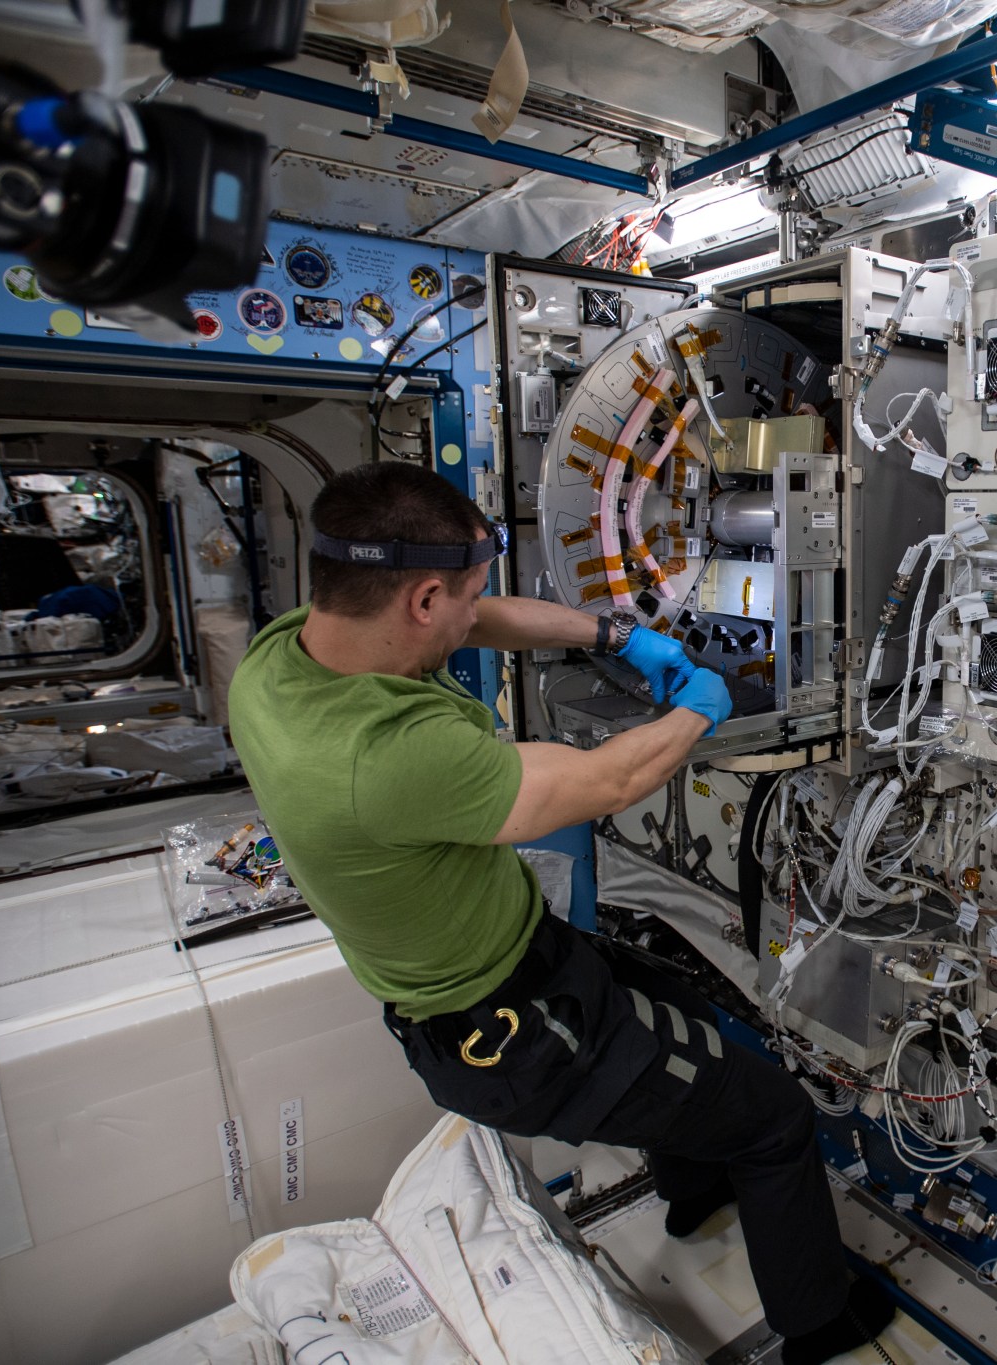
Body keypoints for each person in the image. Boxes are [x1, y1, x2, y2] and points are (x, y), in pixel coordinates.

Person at [227, 462, 893, 1363]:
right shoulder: (380, 756)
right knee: (773, 1115)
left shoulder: (283, 658)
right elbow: (611, 779)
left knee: (689, 1013)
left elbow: (481, 617)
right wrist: (699, 704)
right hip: (524, 1037)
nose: (477, 611)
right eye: (462, 596)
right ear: (420, 600)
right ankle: (819, 1326)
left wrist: (617, 632)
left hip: (513, 972)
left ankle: (697, 1188)